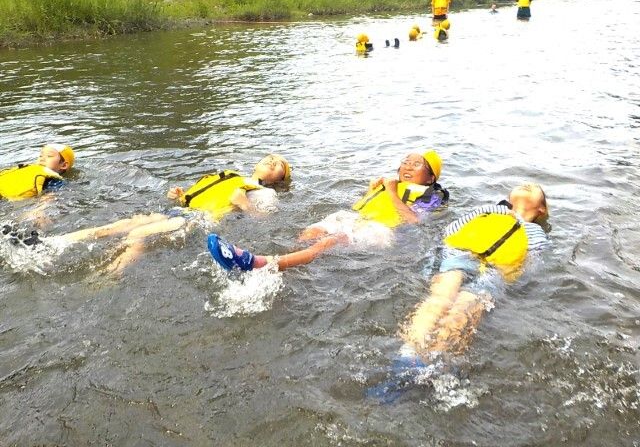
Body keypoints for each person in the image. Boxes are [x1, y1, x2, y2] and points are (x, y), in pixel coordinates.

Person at [41, 154, 291, 273]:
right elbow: (199, 196)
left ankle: (103, 279)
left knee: (137, 237)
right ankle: (50, 243)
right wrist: (179, 195)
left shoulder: (266, 193)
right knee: (116, 227)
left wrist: (244, 204)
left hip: (196, 219)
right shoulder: (231, 175)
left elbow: (264, 222)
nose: (272, 160)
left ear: (280, 179)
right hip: (179, 210)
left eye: (278, 164)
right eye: (269, 157)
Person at [208, 151, 449, 272]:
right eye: (405, 162)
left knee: (330, 242)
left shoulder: (432, 195)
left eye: (416, 164)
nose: (407, 166)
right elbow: (365, 207)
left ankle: (259, 264)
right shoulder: (388, 185)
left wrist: (393, 193)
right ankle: (284, 265)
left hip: (383, 231)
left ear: (430, 177)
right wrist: (372, 191)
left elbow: (415, 222)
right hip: (356, 218)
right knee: (311, 232)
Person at [399, 183, 549, 357]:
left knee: (464, 309)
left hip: (496, 271)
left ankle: (436, 358)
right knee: (441, 297)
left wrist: (509, 283)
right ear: (509, 199)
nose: (527, 185)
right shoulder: (489, 210)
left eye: (535, 189)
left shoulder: (537, 232)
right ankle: (409, 352)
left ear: (542, 209)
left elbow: (531, 263)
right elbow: (451, 231)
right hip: (459, 253)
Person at [0, 144, 75, 200]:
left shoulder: (54, 181)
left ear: (64, 165)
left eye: (49, 156)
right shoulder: (29, 170)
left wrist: (39, 210)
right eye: (41, 156)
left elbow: (50, 196)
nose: (42, 159)